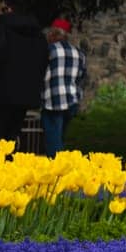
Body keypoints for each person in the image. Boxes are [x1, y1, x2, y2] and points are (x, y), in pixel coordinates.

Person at [0, 3, 48, 150]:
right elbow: (43, 62)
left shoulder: (1, 28)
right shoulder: (38, 34)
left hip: (1, 90)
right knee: (13, 133)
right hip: (26, 92)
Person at [42, 18, 88, 155]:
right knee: (60, 135)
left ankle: (58, 168)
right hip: (72, 100)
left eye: (49, 33)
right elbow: (81, 77)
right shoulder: (79, 53)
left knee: (52, 139)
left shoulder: (48, 50)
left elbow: (40, 72)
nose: (48, 36)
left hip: (53, 100)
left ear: (54, 34)